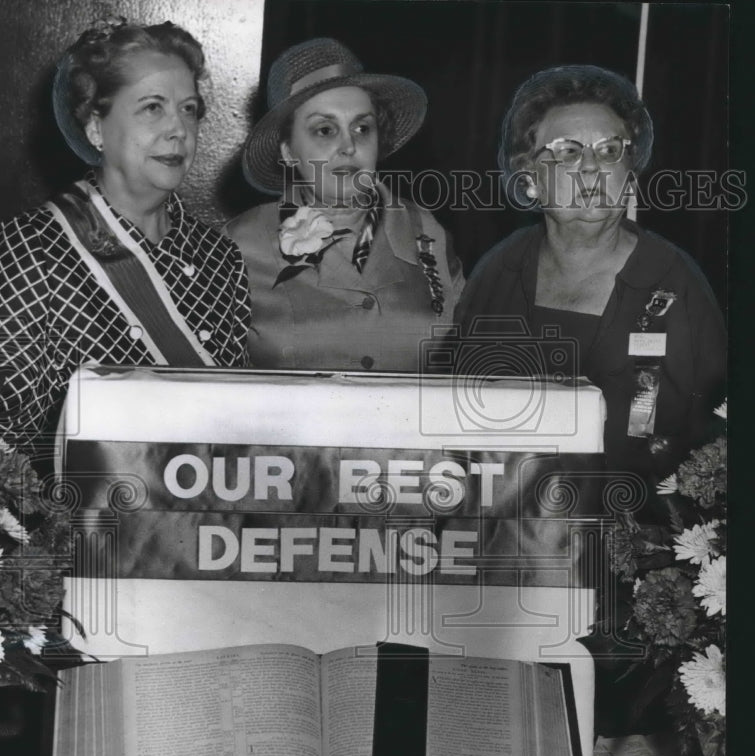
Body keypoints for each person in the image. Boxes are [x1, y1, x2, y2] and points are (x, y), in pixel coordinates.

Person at [453, 65, 726, 502]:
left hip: (636, 542)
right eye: (567, 152)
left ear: (630, 171)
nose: (592, 170)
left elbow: (709, 449)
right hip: (503, 533)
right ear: (529, 179)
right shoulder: (500, 267)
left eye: (610, 150)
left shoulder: (677, 284)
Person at [0, 18, 251, 454]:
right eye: (152, 107)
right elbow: (10, 455)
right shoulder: (29, 248)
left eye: (189, 109)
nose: (179, 129)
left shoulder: (219, 256)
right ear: (96, 127)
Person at [226, 37, 464, 372]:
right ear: (288, 151)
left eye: (362, 128)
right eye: (325, 130)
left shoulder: (428, 231)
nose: (348, 146)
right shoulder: (236, 245)